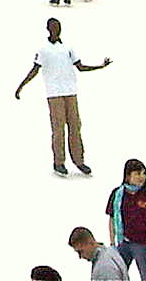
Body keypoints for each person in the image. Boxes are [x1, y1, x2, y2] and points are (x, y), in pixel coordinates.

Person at [16, 17, 111, 176]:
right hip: (54, 93)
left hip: (70, 91)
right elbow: (35, 69)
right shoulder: (43, 49)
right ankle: (58, 161)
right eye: (53, 27)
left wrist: (100, 66)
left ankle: (79, 160)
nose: (56, 29)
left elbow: (80, 67)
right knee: (58, 128)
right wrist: (21, 86)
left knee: (75, 125)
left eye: (58, 27)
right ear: (48, 29)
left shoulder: (67, 48)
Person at [106, 159, 146, 281]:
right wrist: (113, 243)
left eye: (143, 173)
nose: (142, 177)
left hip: (143, 244)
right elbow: (112, 219)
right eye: (137, 173)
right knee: (117, 275)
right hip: (123, 243)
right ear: (128, 176)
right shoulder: (117, 194)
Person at [69, 227, 134, 281]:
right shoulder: (110, 253)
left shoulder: (104, 266)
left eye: (80, 251)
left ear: (90, 242)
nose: (80, 256)